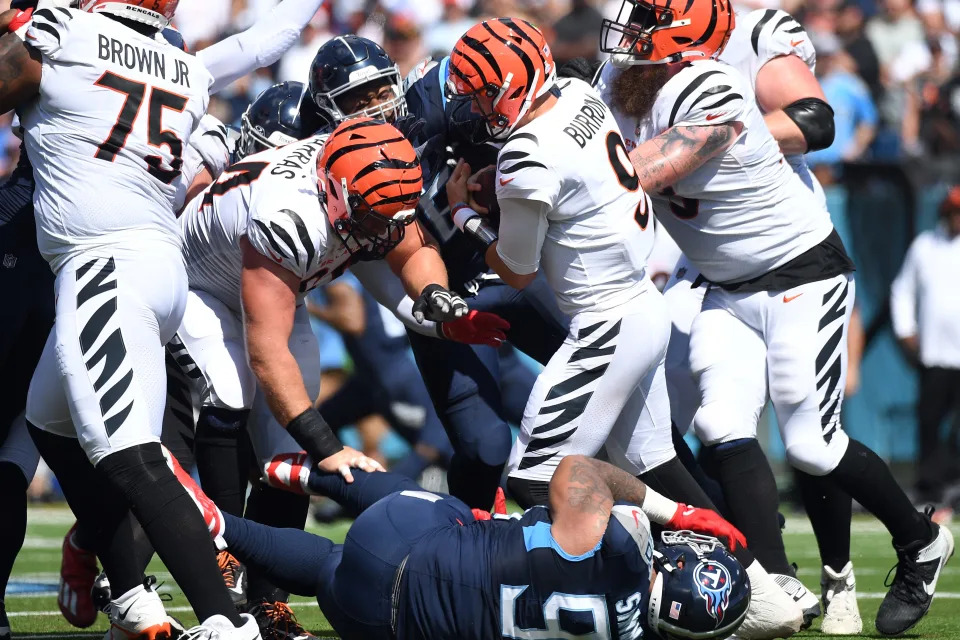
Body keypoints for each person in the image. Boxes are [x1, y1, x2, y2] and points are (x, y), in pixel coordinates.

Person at [596, 0, 954, 635]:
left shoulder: (710, 85)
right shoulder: (625, 79)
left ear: (680, 36)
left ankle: (921, 541)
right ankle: (770, 580)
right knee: (719, 423)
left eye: (643, 25)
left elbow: (634, 173)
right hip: (724, 283)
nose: (625, 39)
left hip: (799, 273)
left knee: (812, 446)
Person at [442, 18, 797, 640]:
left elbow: (518, 272)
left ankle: (615, 601)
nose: (471, 105)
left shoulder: (524, 156)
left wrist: (467, 215)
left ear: (503, 86)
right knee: (656, 467)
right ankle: (759, 593)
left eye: (477, 92)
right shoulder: (577, 97)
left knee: (535, 475)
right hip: (641, 304)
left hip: (606, 321)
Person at [309, 34, 569, 510]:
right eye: (354, 102)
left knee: (611, 376)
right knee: (485, 446)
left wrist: (494, 186)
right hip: (438, 302)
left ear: (397, 83)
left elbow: (525, 136)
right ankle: (466, 548)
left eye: (379, 93)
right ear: (329, 111)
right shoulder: (329, 168)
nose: (372, 110)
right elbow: (390, 281)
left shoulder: (436, 104)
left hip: (504, 273)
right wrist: (440, 316)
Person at [176, 448, 752, 640]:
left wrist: (675, 509)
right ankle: (223, 527)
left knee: (451, 511)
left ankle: (307, 472)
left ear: (677, 561)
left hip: (407, 537)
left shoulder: (624, 545)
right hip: (379, 622)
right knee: (332, 565)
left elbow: (576, 471)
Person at [891, 185, 960, 503]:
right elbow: (902, 290)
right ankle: (930, 487)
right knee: (930, 422)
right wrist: (906, 330)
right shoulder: (925, 246)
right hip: (935, 354)